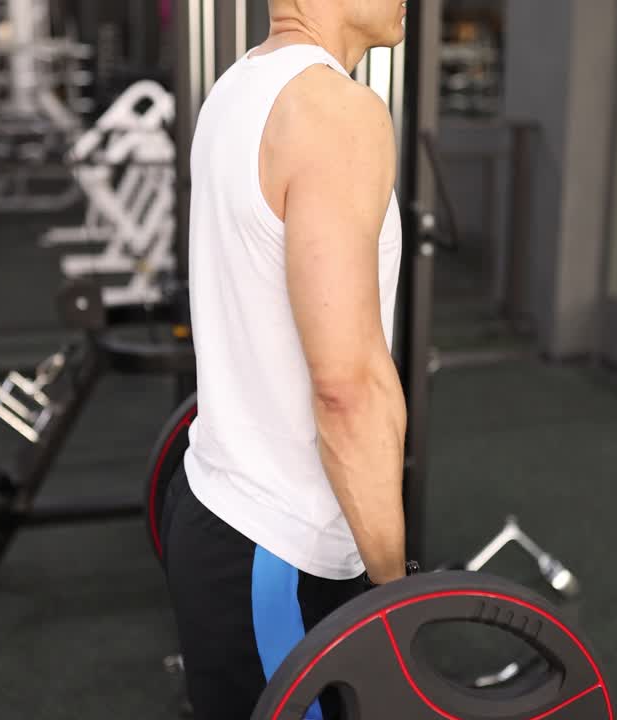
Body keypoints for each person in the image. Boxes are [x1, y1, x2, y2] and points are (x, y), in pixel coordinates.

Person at [163, 0, 409, 718]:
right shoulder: (336, 111)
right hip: (279, 552)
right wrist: (396, 596)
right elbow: (346, 391)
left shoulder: (240, 86)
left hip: (213, 504)